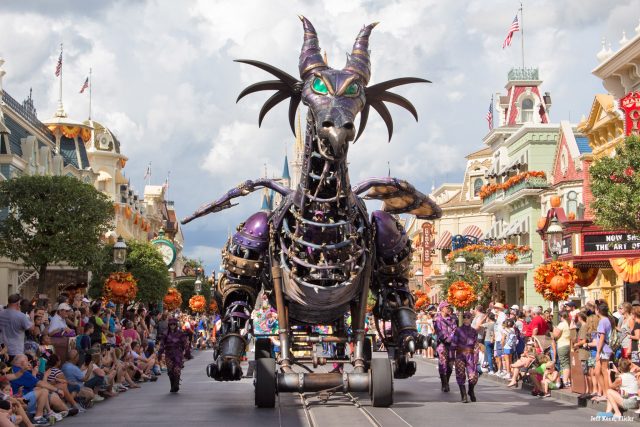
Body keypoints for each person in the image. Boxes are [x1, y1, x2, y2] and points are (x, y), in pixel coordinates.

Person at [157, 318, 191, 393]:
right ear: (169, 325)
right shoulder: (165, 334)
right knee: (170, 370)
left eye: (174, 324)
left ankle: (176, 385)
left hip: (178, 353)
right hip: (168, 354)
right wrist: (159, 353)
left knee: (177, 369)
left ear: (176, 325)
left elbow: (185, 343)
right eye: (171, 324)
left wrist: (187, 352)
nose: (172, 326)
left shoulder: (180, 333)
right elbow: (162, 345)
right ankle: (172, 385)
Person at [451, 312, 478, 403]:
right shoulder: (458, 330)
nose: (466, 319)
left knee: (473, 376)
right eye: (465, 317)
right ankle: (463, 395)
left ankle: (471, 391)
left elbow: (476, 345)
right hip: (460, 354)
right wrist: (451, 358)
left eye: (468, 317)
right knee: (460, 374)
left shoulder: (474, 331)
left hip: (470, 355)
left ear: (471, 319)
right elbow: (453, 343)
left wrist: (476, 357)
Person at [433, 301, 458, 393]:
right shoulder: (437, 320)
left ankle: (447, 381)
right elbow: (438, 331)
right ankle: (444, 383)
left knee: (450, 364)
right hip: (442, 344)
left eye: (449, 307)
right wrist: (446, 339)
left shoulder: (452, 319)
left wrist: (451, 338)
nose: (448, 308)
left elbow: (455, 330)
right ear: (442, 308)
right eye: (447, 307)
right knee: (443, 364)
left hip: (451, 344)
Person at [0, 294, 34, 359]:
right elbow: (31, 328)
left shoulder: (1, 314)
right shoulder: (21, 316)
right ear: (18, 304)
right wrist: (32, 318)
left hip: (4, 350)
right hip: (16, 350)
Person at [553, 310, 572, 388]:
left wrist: (554, 329)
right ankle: (568, 380)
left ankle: (565, 381)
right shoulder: (569, 323)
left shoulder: (562, 324)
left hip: (562, 345)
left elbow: (556, 335)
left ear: (561, 316)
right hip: (568, 344)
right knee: (567, 363)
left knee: (564, 363)